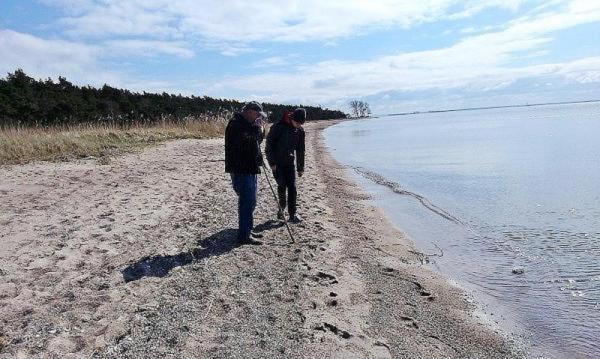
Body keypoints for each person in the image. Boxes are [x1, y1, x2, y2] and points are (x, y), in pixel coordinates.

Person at [225, 101, 266, 245]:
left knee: (252, 200)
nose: (257, 117)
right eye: (257, 114)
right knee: (247, 201)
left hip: (250, 167)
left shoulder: (247, 123)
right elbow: (244, 143)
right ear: (249, 111)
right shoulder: (235, 124)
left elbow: (256, 142)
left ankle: (247, 229)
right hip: (241, 168)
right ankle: (243, 236)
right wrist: (255, 129)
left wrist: (261, 130)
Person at [265, 108, 306, 223]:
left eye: (301, 124)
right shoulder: (278, 127)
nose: (298, 125)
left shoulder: (300, 131)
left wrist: (300, 168)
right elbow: (268, 146)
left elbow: (300, 150)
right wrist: (271, 162)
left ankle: (293, 214)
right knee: (282, 186)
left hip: (289, 162)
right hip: (277, 163)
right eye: (297, 123)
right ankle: (281, 210)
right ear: (292, 118)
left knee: (292, 188)